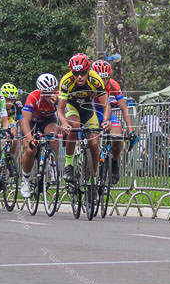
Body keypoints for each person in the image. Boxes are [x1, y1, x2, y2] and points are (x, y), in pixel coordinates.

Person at [57, 53, 111, 183]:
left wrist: (106, 120)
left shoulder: (95, 79)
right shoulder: (66, 81)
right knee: (74, 125)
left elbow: (106, 105)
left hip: (87, 108)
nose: (79, 76)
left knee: (94, 142)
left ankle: (91, 176)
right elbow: (60, 109)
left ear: (88, 70)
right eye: (76, 73)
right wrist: (64, 123)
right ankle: (68, 165)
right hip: (72, 106)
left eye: (83, 72)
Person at [91, 59, 137, 184]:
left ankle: (115, 161)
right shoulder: (88, 84)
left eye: (105, 78)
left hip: (106, 111)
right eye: (100, 78)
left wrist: (131, 130)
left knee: (117, 136)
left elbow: (124, 108)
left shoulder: (113, 85)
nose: (103, 81)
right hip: (91, 111)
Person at [19, 74, 60, 197]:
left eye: (52, 92)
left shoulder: (58, 96)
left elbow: (64, 113)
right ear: (40, 91)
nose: (50, 95)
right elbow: (25, 120)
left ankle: (52, 164)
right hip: (32, 121)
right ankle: (25, 180)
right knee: (31, 150)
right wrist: (30, 139)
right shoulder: (33, 96)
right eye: (46, 93)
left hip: (48, 120)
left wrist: (57, 102)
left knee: (53, 136)